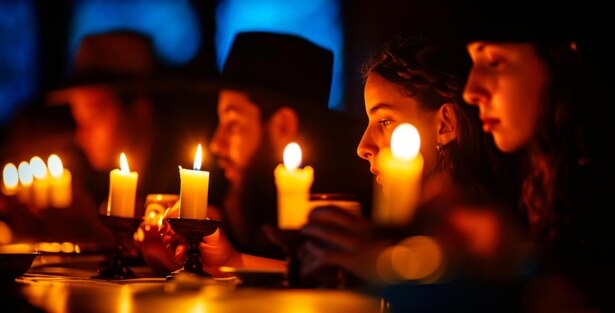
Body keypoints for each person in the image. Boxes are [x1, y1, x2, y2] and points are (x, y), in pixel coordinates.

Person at [297, 35, 524, 296]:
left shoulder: (485, 231)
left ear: (445, 124)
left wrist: (380, 265)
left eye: (384, 121)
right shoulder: (425, 225)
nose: (362, 147)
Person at [159, 32, 371, 274]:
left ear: (282, 126)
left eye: (233, 124)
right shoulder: (243, 200)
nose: (217, 143)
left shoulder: (336, 212)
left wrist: (232, 260)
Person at [461, 6, 615, 312]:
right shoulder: (546, 183)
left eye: (495, 61)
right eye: (472, 63)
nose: (470, 91)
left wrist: (514, 263)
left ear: (561, 65)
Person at [43, 30, 217, 273]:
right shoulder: (92, 182)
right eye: (77, 120)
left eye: (93, 117)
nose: (81, 135)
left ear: (139, 109)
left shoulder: (191, 185)